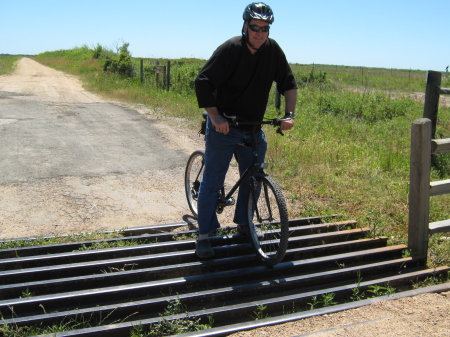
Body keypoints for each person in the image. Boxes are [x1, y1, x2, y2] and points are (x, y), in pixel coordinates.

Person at [194, 2, 298, 258]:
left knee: (253, 180)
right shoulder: (230, 49)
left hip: (252, 128)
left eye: (265, 28)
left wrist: (289, 114)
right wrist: (215, 117)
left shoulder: (273, 51)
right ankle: (205, 234)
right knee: (213, 181)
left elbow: (289, 84)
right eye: (255, 27)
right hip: (223, 128)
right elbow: (203, 82)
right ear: (245, 25)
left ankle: (244, 224)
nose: (259, 33)